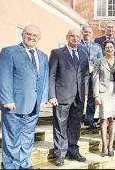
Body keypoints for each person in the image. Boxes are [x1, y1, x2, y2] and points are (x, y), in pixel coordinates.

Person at [0, 25, 49, 169]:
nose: (31, 37)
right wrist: (7, 99)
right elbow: (3, 77)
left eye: (35, 35)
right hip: (14, 104)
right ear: (22, 34)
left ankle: (24, 163)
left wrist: (43, 98)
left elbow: (44, 78)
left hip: (33, 105)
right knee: (12, 138)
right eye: (28, 34)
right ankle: (10, 165)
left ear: (39, 38)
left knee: (27, 137)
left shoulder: (43, 56)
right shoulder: (9, 52)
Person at [49, 28, 90, 166]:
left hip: (78, 97)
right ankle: (60, 154)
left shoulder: (84, 54)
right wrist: (52, 95)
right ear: (67, 37)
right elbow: (52, 75)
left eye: (78, 36)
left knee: (75, 126)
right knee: (60, 126)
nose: (75, 38)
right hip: (61, 96)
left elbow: (85, 75)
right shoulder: (57, 53)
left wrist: (85, 92)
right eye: (72, 36)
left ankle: (73, 150)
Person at [93, 40, 115, 157]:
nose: (109, 49)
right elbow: (95, 79)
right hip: (103, 92)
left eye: (111, 47)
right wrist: (96, 95)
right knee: (103, 118)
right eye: (107, 47)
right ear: (104, 49)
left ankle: (111, 145)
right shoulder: (99, 61)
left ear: (114, 49)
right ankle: (104, 145)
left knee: (113, 118)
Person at [79, 25, 103, 128]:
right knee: (80, 96)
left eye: (89, 32)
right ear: (82, 33)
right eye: (85, 32)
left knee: (92, 98)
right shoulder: (78, 45)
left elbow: (101, 59)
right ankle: (78, 118)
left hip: (93, 74)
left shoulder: (97, 46)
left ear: (92, 34)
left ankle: (89, 119)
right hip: (80, 75)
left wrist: (94, 66)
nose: (87, 34)